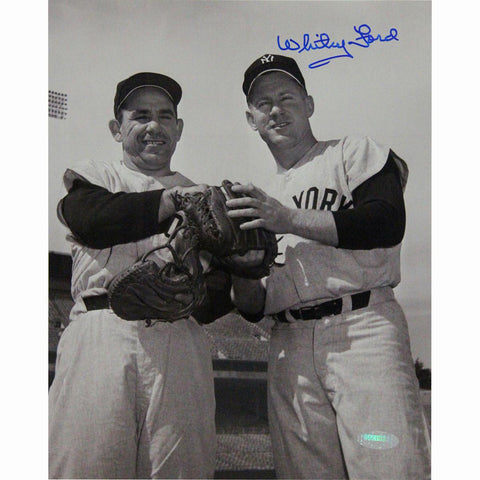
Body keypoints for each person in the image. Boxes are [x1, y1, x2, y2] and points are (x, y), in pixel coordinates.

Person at [228, 54, 431, 479]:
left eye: (287, 97)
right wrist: (237, 264)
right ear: (251, 119)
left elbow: (386, 221)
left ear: (310, 104)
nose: (276, 110)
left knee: (389, 466)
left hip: (363, 332)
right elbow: (253, 305)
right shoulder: (256, 198)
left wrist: (286, 218)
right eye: (263, 103)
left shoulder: (352, 152)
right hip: (289, 344)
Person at [49, 72, 233, 479]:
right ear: (118, 129)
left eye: (166, 116)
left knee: (181, 469)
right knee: (86, 466)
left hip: (179, 340)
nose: (155, 126)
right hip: (102, 333)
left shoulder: (204, 194)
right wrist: (174, 202)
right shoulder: (97, 175)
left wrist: (231, 273)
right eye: (141, 115)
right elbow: (90, 219)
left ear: (179, 129)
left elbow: (219, 292)